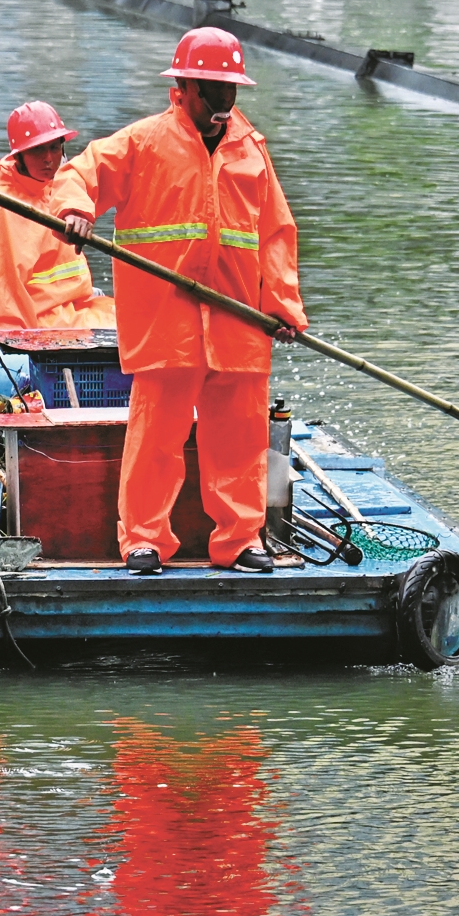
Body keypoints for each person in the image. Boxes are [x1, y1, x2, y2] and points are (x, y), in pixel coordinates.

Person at [49, 28, 308, 575]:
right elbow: (79, 174)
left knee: (240, 439)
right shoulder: (143, 142)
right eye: (212, 91)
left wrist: (283, 307)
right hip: (166, 319)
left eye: (229, 91)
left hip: (239, 320)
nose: (222, 102)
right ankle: (143, 540)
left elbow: (276, 234)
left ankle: (239, 541)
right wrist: (75, 210)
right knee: (155, 439)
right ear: (184, 88)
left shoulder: (251, 151)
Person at [0, 101, 117, 334]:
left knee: (140, 315)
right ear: (18, 156)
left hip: (61, 309)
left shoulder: (46, 188)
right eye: (38, 150)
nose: (48, 158)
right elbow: (4, 305)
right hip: (33, 325)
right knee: (133, 328)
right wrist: (18, 348)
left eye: (54, 148)